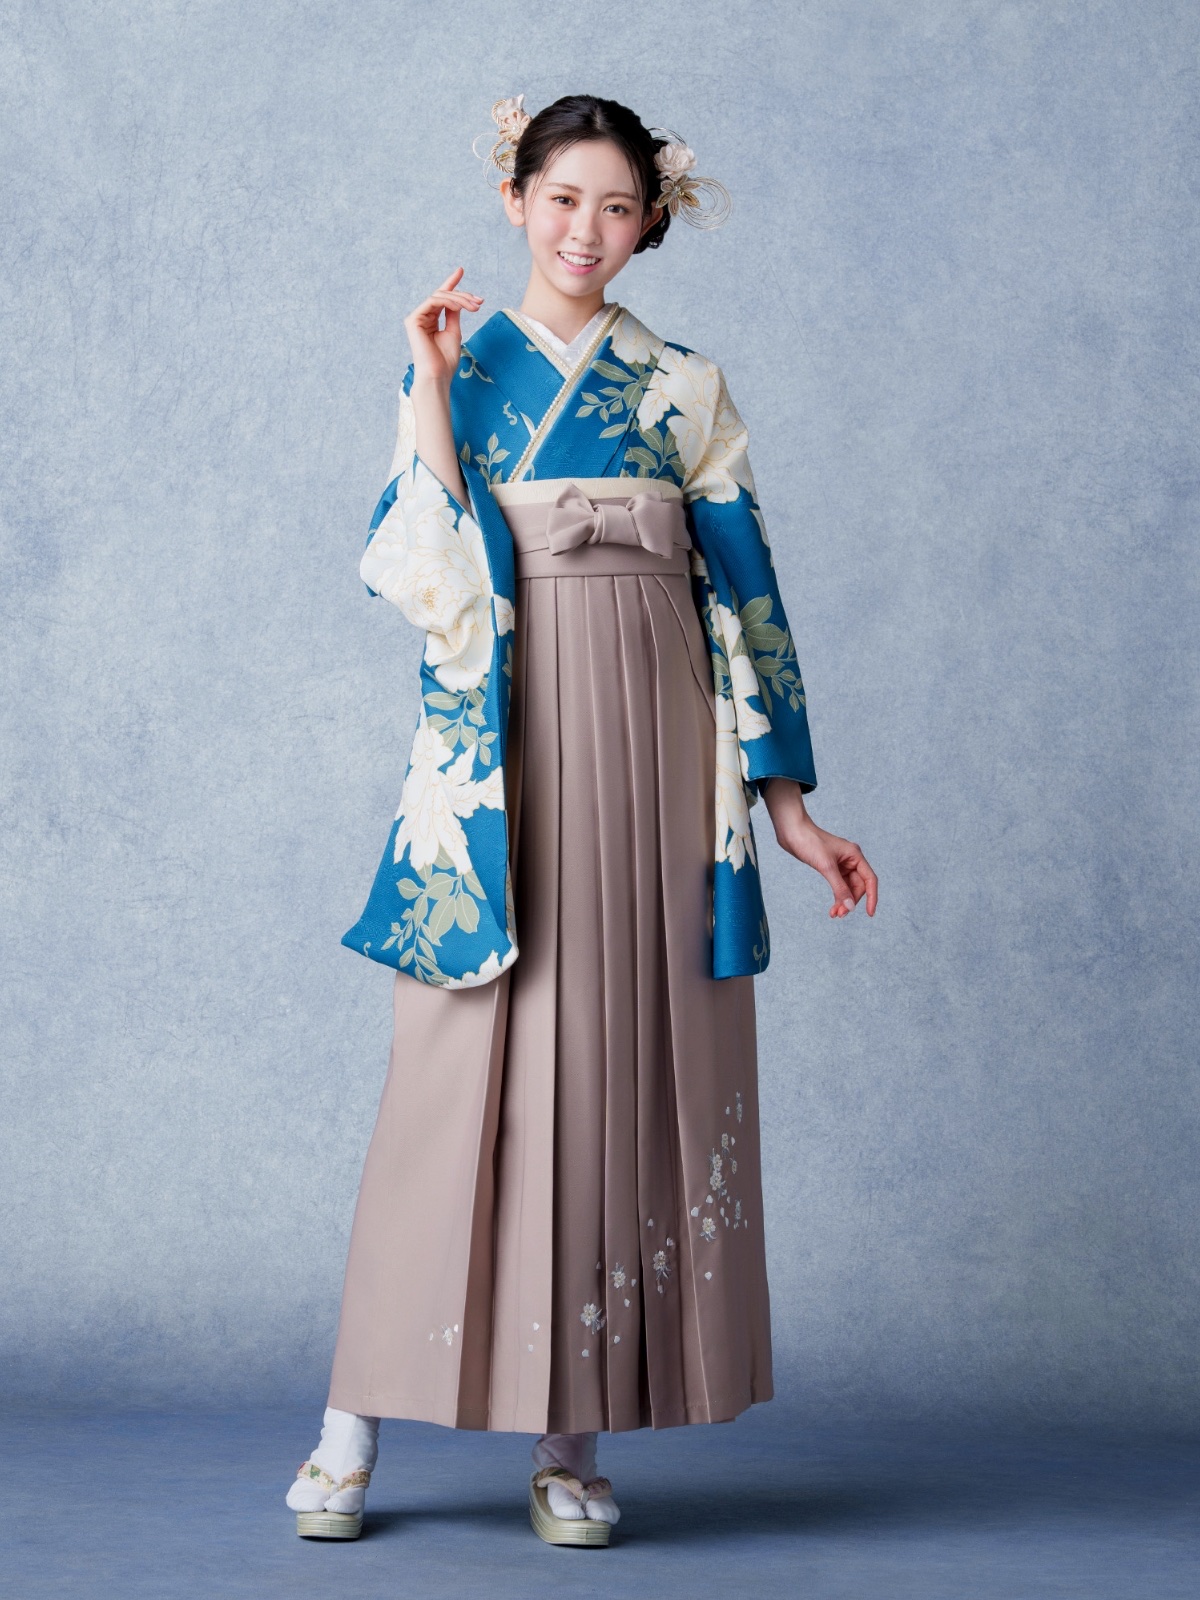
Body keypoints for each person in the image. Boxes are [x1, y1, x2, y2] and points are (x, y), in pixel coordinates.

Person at [286, 92, 878, 1547]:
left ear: (650, 219)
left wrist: (788, 807)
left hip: (663, 748)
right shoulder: (464, 362)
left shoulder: (684, 387)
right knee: (453, 1078)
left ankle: (572, 1445)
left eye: (617, 207)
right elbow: (421, 575)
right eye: (562, 199)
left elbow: (746, 595)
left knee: (614, 1077)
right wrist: (431, 392)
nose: (586, 231)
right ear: (516, 199)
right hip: (509, 744)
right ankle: (351, 1424)